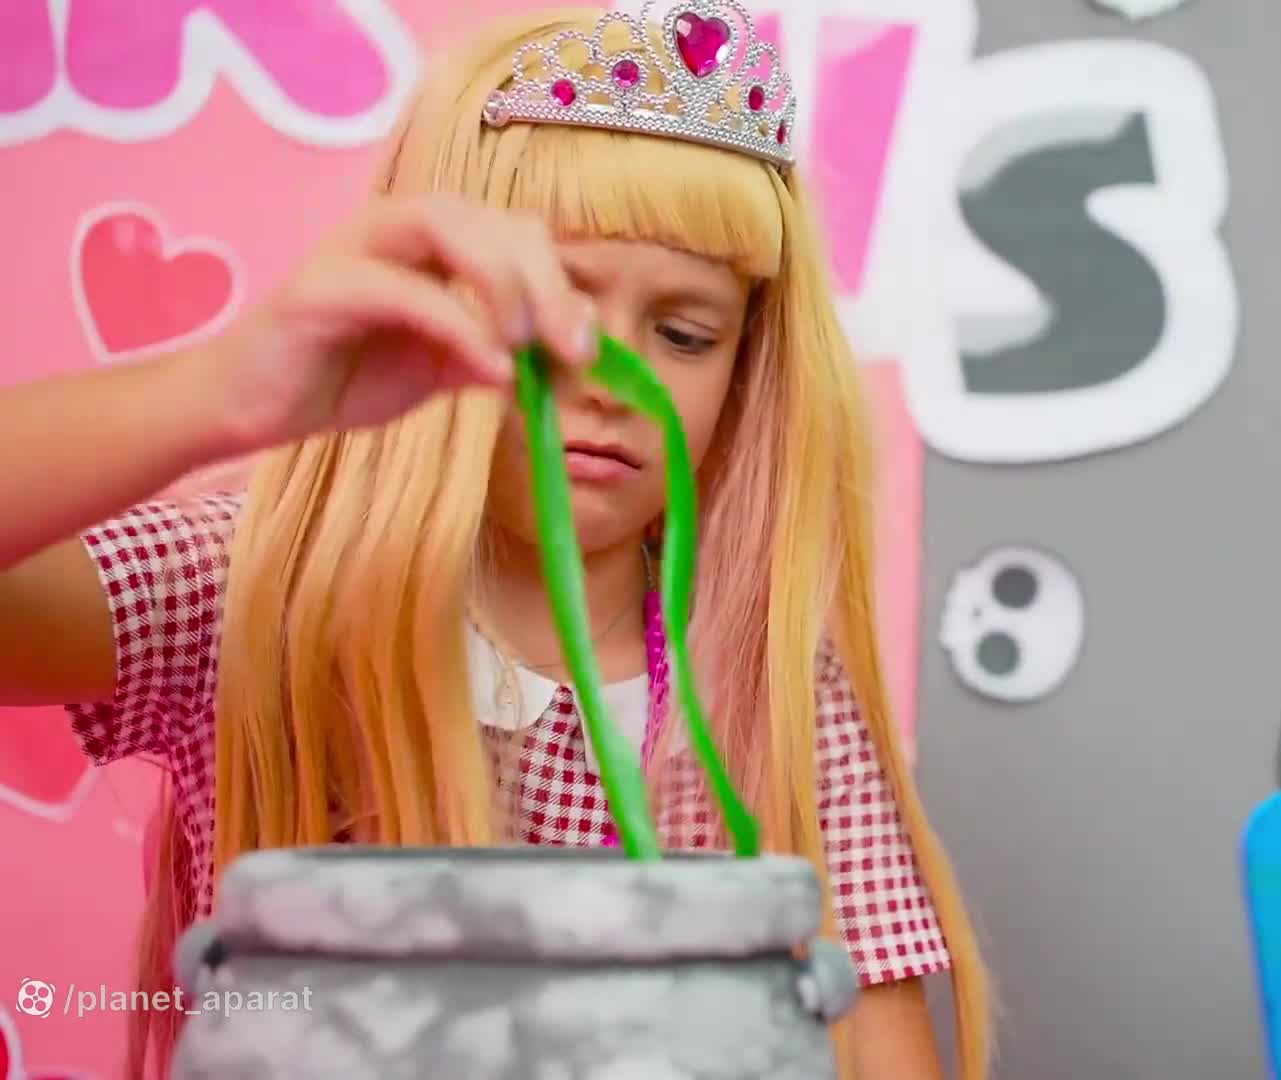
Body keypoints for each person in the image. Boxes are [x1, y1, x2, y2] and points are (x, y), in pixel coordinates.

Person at [0, 8, 990, 1078]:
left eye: (685, 334)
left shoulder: (770, 686)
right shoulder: (261, 588)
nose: (612, 382)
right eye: (549, 310)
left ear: (745, 372)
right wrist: (219, 393)